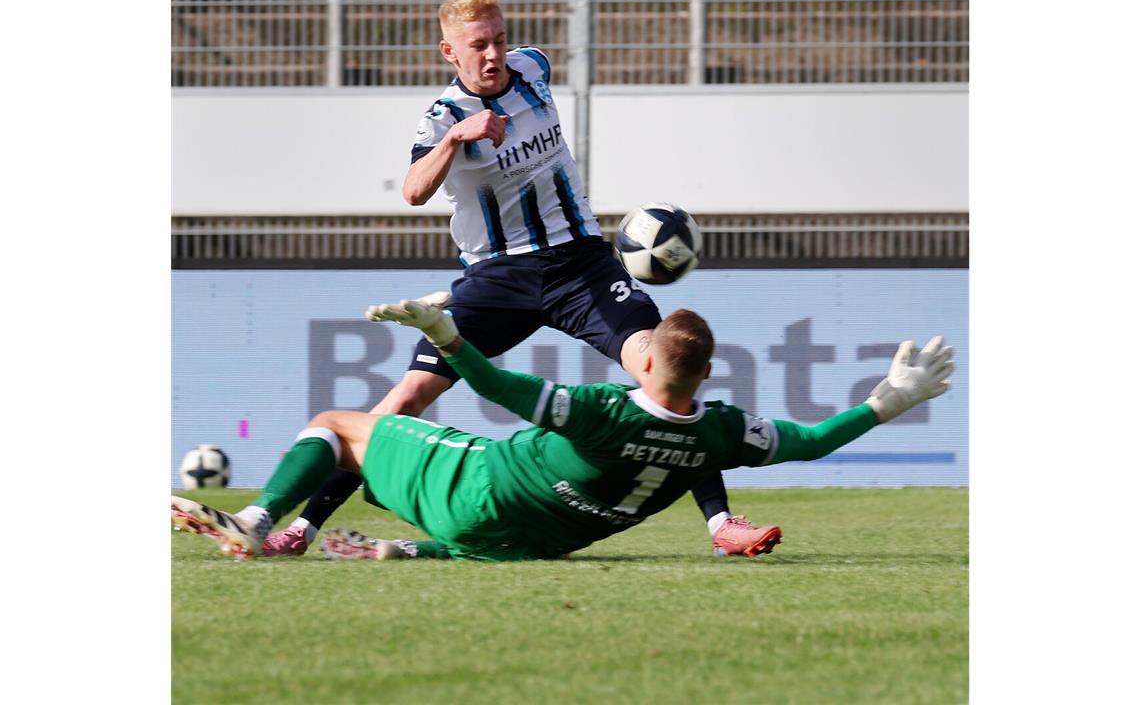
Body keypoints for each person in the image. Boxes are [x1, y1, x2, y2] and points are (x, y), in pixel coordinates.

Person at [259, 0, 767, 558]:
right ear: (450, 53)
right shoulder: (443, 118)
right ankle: (303, 529)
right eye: (478, 45)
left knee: (661, 367)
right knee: (403, 401)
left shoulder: (534, 68)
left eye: (499, 38)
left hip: (581, 265)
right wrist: (457, 137)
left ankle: (722, 524)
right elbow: (412, 190)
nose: (494, 54)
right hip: (499, 278)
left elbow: (524, 67)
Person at [172, 293, 954, 562]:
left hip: (480, 490)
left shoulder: (600, 411)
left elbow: (494, 381)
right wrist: (888, 400)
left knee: (340, 425)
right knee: (476, 493)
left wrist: (443, 333)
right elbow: (813, 440)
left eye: (641, 348)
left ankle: (256, 519)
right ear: (706, 376)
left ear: (646, 367)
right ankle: (408, 548)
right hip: (542, 540)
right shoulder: (720, 432)